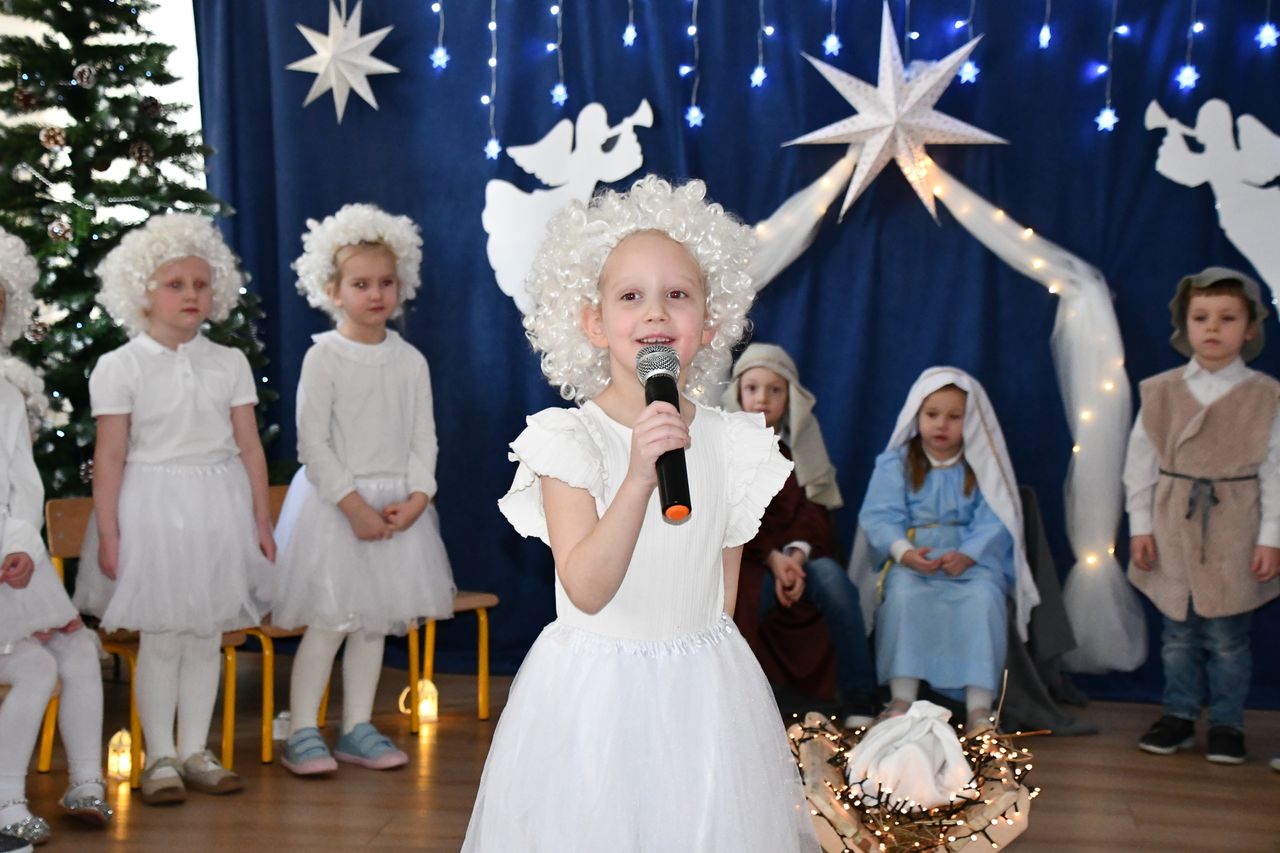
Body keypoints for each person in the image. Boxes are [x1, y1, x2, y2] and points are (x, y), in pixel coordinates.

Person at [463, 176, 817, 851]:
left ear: (708, 325)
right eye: (630, 296)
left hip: (702, 694)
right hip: (596, 698)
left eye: (677, 294)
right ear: (593, 322)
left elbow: (720, 594)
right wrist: (634, 480)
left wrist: (711, 693)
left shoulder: (733, 443)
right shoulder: (569, 440)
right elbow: (587, 589)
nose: (655, 311)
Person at [74, 213, 274, 804]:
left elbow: (250, 447)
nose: (191, 294)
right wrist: (110, 533)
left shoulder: (228, 362)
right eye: (175, 284)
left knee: (206, 636)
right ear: (142, 291)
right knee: (162, 637)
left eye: (201, 284)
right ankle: (158, 755)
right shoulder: (120, 366)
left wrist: (261, 519)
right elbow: (110, 456)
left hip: (218, 509)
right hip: (152, 512)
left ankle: (195, 750)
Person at [273, 204, 455, 775]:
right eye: (360, 284)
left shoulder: (410, 360)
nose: (376, 294)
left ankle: (356, 727)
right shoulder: (323, 357)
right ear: (332, 290)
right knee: (330, 621)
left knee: (376, 621)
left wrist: (419, 496)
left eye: (385, 282)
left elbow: (424, 437)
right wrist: (353, 506)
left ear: (401, 285)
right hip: (336, 508)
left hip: (398, 509)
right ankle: (302, 728)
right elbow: (313, 443)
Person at [1124, 267, 1280, 765]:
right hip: (1173, 520)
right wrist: (1140, 526)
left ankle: (1228, 723)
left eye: (1227, 318)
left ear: (1250, 328)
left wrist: (1270, 537)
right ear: (1184, 324)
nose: (1213, 328)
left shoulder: (1266, 395)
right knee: (1178, 633)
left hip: (1236, 525)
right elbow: (1140, 465)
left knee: (1229, 637)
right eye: (1201, 317)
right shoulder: (1161, 391)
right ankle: (1179, 715)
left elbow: (1276, 471)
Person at [0, 226, 111, 844]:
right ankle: (5, 801)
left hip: (11, 555)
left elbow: (24, 485)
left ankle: (86, 782)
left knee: (78, 648)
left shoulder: (6, 395)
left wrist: (20, 547)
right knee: (36, 668)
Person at [856, 367, 1038, 734]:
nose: (942, 424)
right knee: (904, 596)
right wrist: (905, 552)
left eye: (954, 417)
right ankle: (901, 699)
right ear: (917, 415)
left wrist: (968, 554)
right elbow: (879, 515)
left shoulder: (983, 466)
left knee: (983, 599)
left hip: (972, 564)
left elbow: (997, 518)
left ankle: (979, 709)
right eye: (932, 414)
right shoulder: (896, 463)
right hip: (915, 561)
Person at [722, 342, 877, 726]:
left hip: (799, 557)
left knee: (836, 584)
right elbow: (729, 514)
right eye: (752, 388)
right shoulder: (726, 449)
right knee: (743, 599)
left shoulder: (803, 450)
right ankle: (740, 702)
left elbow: (814, 511)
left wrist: (794, 556)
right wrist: (772, 557)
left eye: (774, 390)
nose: (762, 398)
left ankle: (861, 699)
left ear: (789, 397)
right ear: (738, 393)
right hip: (748, 557)